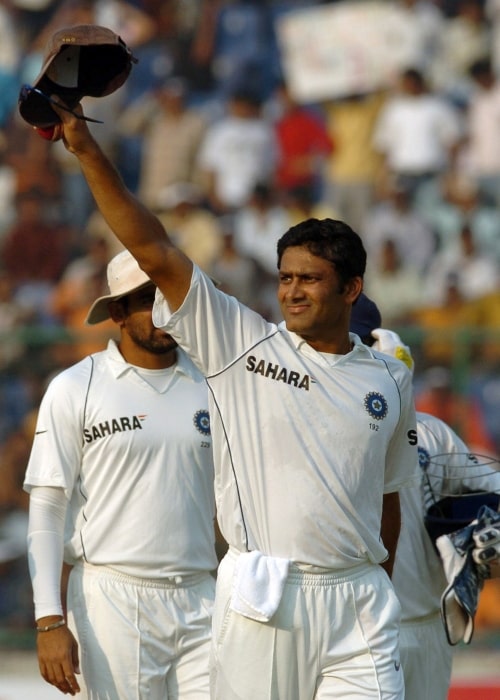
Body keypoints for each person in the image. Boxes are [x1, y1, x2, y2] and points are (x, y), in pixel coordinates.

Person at [47, 99, 420, 700]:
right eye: (286, 277)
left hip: (361, 603)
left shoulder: (388, 376)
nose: (292, 292)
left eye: (310, 279)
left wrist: (380, 581)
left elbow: (388, 494)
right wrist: (87, 151)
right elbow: (155, 250)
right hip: (266, 597)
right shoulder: (242, 345)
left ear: (351, 289)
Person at [23, 249, 218, 698]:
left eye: (168, 294)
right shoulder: (75, 386)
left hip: (202, 594)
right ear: (116, 312)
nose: (164, 308)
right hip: (112, 599)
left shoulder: (214, 383)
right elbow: (48, 509)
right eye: (147, 298)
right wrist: (49, 619)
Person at [350, 296, 500, 700]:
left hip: (426, 623)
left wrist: (484, 526)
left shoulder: (432, 432)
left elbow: (492, 490)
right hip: (352, 625)